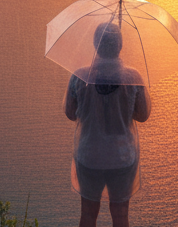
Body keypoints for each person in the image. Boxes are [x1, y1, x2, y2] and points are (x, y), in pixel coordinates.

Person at [64, 21, 151, 227]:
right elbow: (143, 115)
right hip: (122, 158)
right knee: (120, 216)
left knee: (88, 214)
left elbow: (69, 113)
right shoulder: (133, 78)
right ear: (119, 46)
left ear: (96, 45)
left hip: (89, 156)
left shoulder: (79, 76)